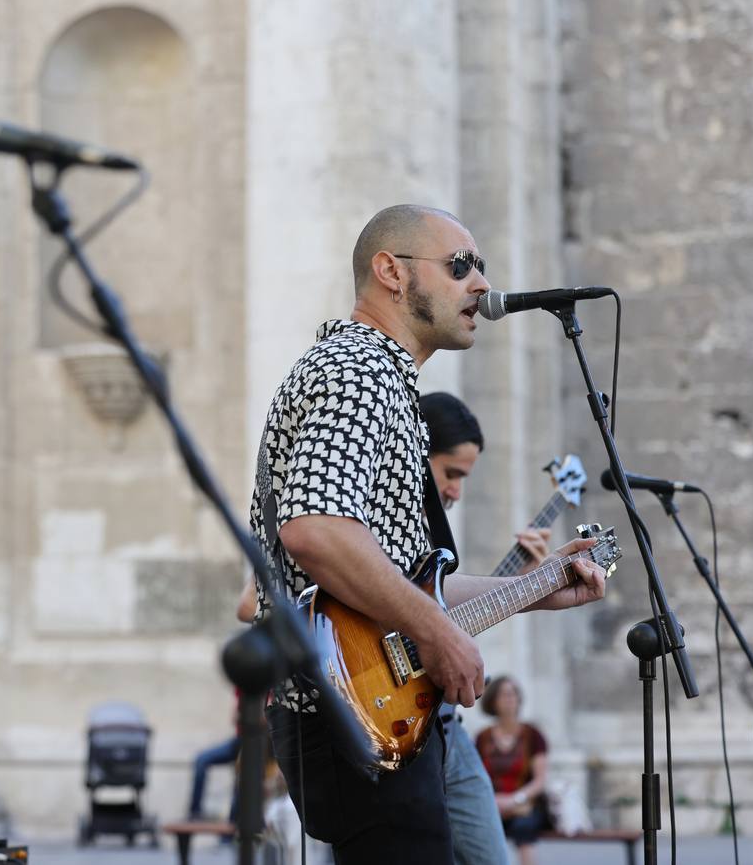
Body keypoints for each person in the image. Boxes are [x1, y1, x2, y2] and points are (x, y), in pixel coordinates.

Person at [250, 204, 606, 863]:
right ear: (390, 271)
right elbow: (316, 530)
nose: (481, 284)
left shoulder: (382, 381)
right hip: (350, 709)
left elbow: (410, 582)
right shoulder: (357, 370)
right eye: (459, 266)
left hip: (373, 709)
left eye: (482, 267)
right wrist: (440, 635)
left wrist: (534, 586)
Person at [420, 391, 549, 865]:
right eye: (451, 473)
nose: (456, 491)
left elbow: (444, 609)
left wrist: (522, 586)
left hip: (445, 728)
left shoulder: (430, 537)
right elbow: (256, 601)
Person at [476, 676, 550, 865]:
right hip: (493, 805)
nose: (509, 699)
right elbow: (475, 779)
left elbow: (540, 781)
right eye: (503, 694)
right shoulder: (482, 738)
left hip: (525, 805)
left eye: (513, 694)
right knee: (478, 828)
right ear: (493, 701)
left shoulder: (533, 735)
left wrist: (515, 800)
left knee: (523, 826)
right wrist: (494, 802)